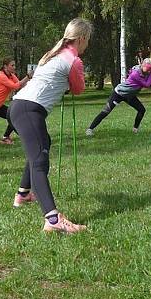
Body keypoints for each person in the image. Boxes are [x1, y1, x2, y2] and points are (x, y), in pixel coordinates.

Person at [9, 18, 92, 234]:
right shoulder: (74, 61)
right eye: (87, 40)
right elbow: (78, 89)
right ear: (81, 39)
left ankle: (24, 193)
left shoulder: (52, 54)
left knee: (42, 143)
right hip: (29, 109)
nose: (87, 45)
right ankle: (53, 219)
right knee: (39, 161)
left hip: (19, 106)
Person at [85, 57, 151, 136]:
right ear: (143, 65)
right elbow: (146, 84)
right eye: (149, 68)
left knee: (141, 110)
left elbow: (150, 85)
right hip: (119, 93)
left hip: (130, 96)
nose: (149, 71)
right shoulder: (135, 73)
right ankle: (90, 129)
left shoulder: (147, 73)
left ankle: (135, 129)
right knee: (106, 111)